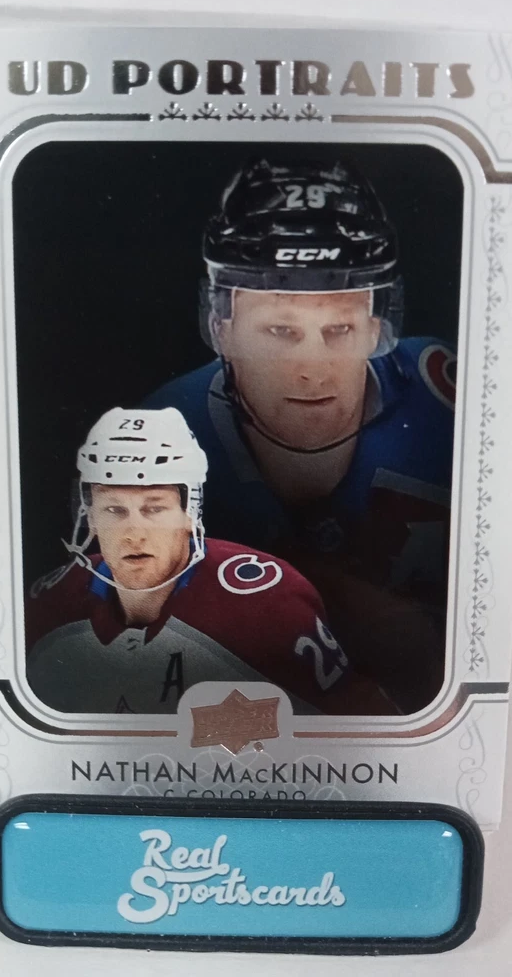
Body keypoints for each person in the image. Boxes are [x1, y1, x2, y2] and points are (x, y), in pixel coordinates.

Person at [143, 158, 456, 712]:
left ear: (376, 327)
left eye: (339, 328)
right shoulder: (151, 446)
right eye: (280, 330)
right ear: (222, 327)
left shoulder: (447, 401)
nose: (313, 369)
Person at [25, 406, 394, 716]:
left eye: (154, 509)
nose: (133, 534)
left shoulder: (267, 604)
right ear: (89, 516)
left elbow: (364, 732)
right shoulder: (52, 602)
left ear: (191, 513)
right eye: (114, 510)